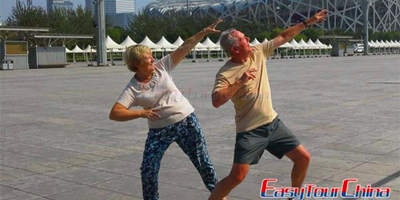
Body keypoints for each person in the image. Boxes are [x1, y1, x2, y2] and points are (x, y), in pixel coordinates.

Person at [208, 10, 328, 200]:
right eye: (243, 39)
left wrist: (308, 22)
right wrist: (239, 82)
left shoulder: (257, 52)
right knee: (236, 177)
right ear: (235, 49)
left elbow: (283, 36)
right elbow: (216, 101)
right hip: (250, 131)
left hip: (273, 123)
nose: (248, 39)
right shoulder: (225, 73)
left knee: (303, 158)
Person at [109, 20, 223, 200]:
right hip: (158, 131)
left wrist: (203, 32)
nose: (153, 59)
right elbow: (115, 112)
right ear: (137, 64)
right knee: (148, 168)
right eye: (148, 58)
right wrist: (140, 113)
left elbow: (184, 48)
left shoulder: (162, 67)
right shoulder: (133, 88)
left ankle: (219, 196)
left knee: (203, 162)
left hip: (186, 121)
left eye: (152, 55)